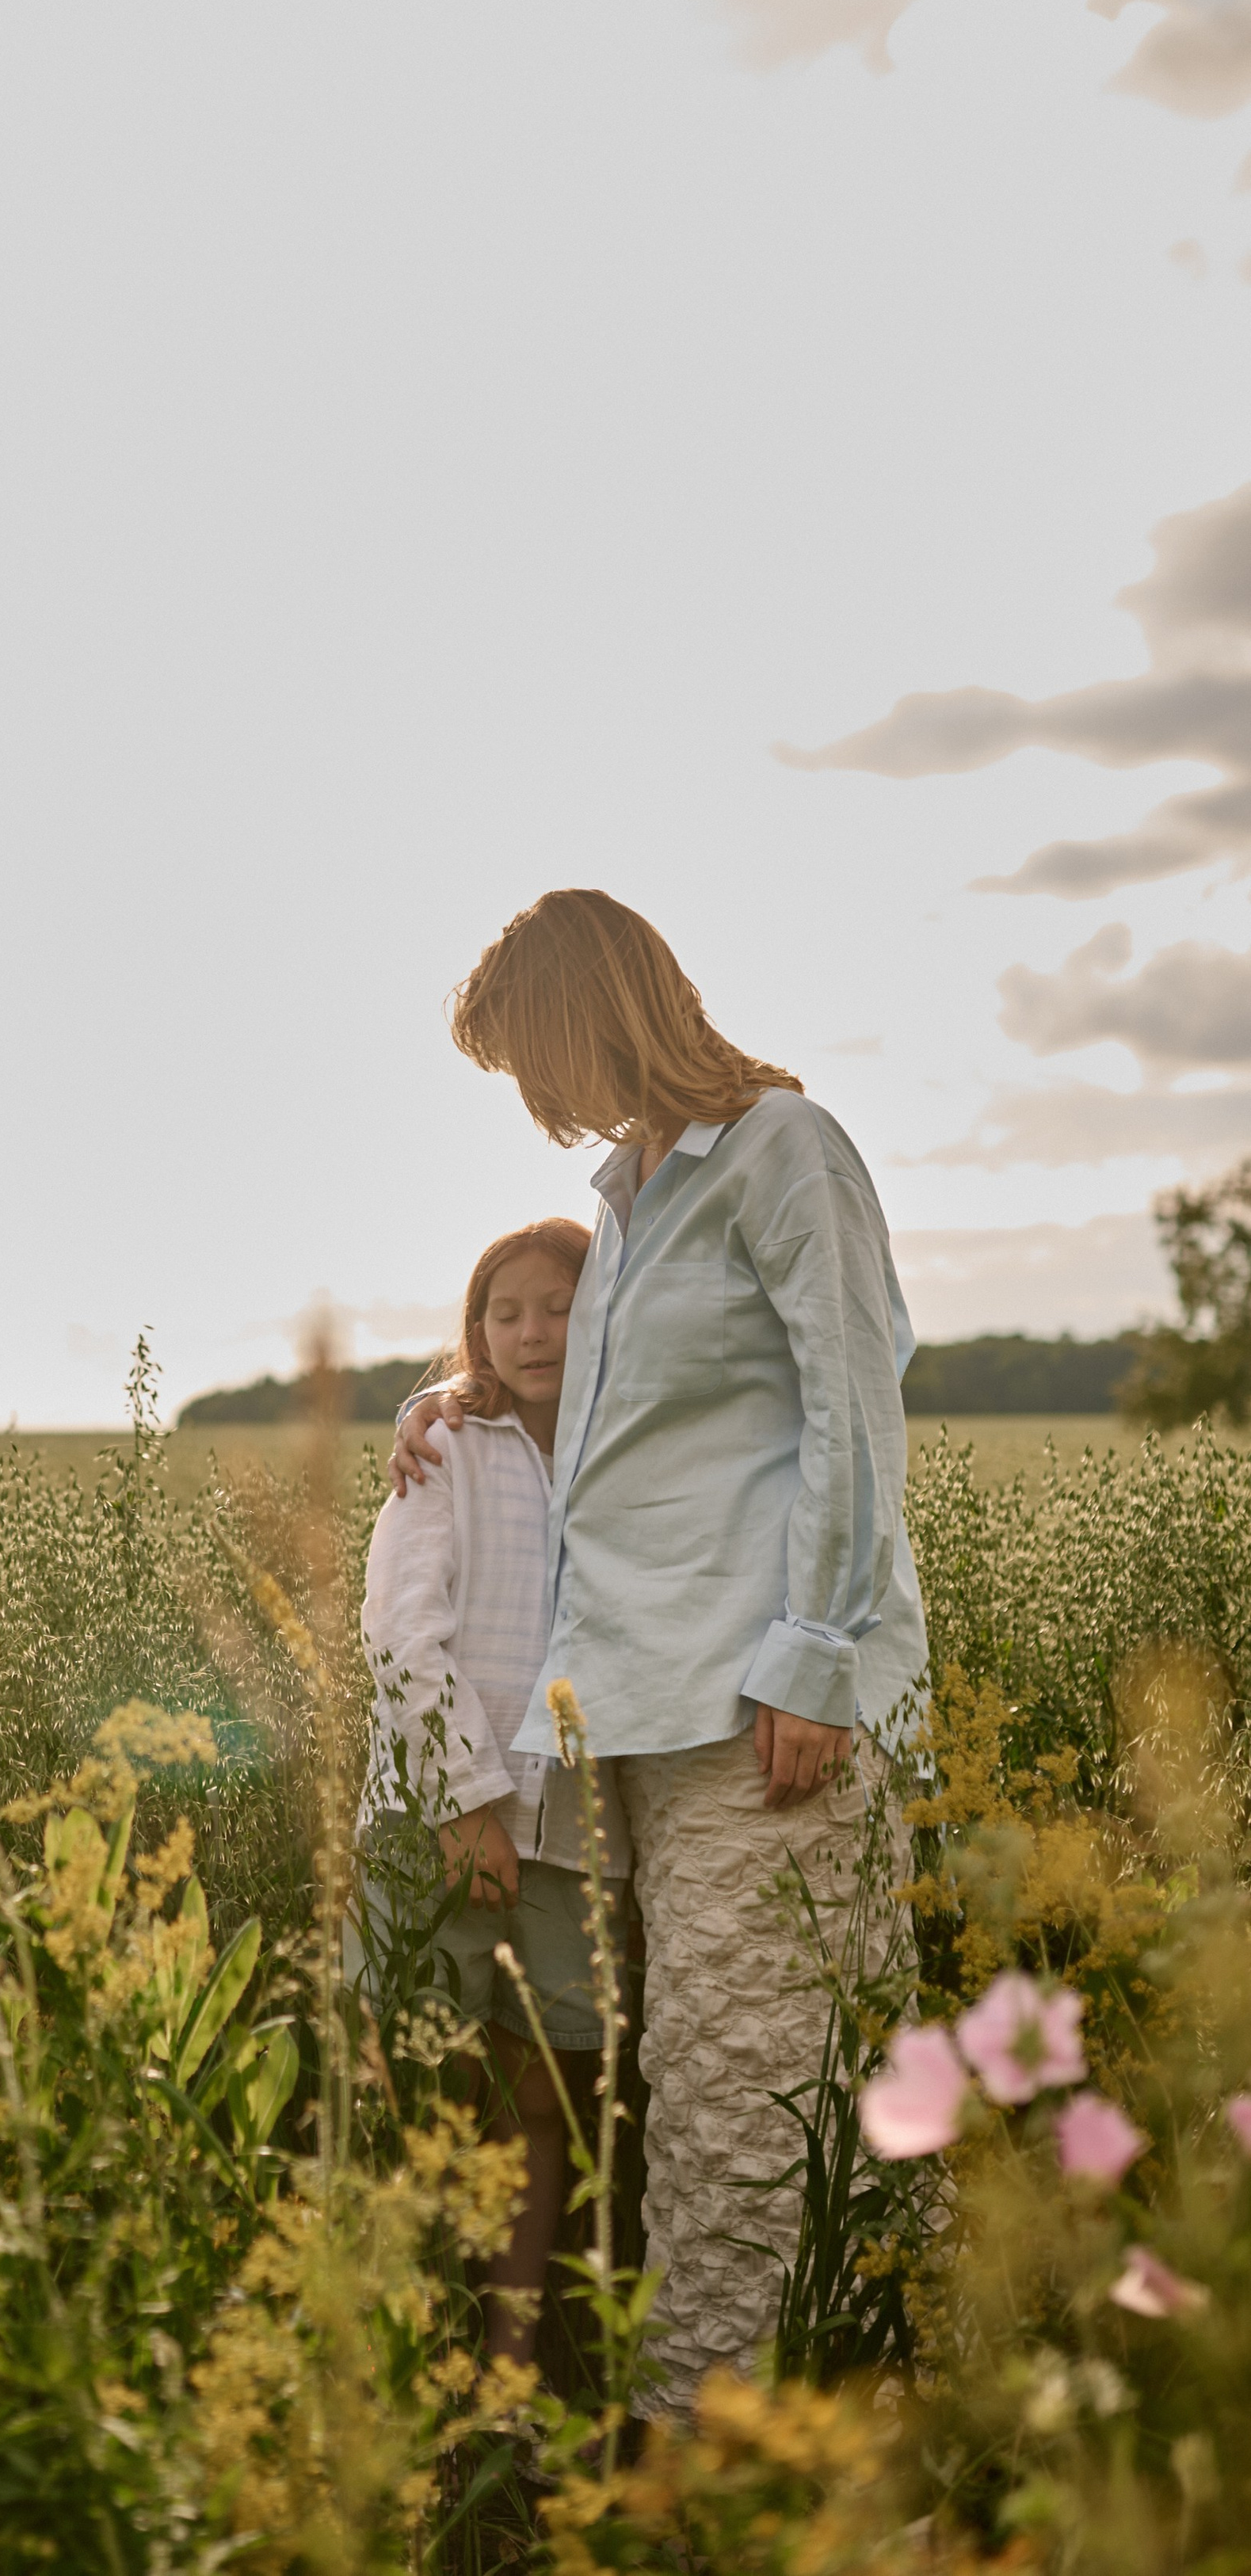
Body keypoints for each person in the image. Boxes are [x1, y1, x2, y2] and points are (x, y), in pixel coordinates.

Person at [390, 889, 926, 2415]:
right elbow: (610, 1433)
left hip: (763, 1704)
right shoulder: (630, 1199)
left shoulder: (781, 1152)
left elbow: (851, 1403)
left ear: (591, 1016)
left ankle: (737, 2457)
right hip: (643, 1715)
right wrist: (457, 1410)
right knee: (715, 2097)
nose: (539, 1106)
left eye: (533, 1062)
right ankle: (763, 2436)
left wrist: (818, 1655)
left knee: (761, 2102)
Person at [353, 1216, 631, 2368]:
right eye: (505, 1311)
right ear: (474, 1332)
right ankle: (407, 2362)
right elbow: (401, 1633)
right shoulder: (448, 1450)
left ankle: (505, 2380)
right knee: (424, 2101)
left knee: (539, 2114)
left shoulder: (635, 1449)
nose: (533, 1331)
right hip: (435, 1827)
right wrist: (467, 1800)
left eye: (559, 1306)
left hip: (575, 1841)